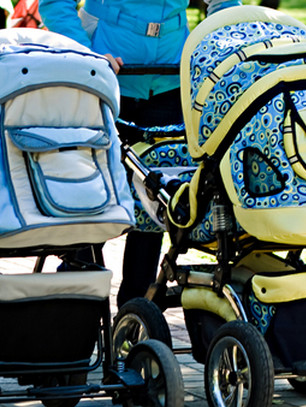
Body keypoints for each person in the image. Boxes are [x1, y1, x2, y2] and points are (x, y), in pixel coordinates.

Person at [38, 0, 238, 310]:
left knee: (155, 193)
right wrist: (84, 54)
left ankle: (137, 311)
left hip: (171, 76)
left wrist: (221, 48)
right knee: (91, 192)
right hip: (104, 75)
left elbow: (225, 4)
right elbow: (54, 3)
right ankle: (76, 301)